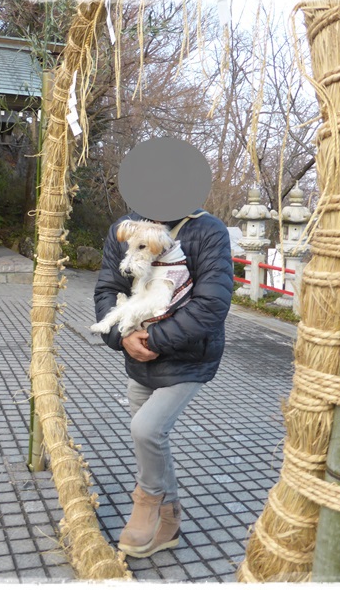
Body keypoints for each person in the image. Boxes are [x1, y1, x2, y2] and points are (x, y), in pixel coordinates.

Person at [94, 208, 233, 558]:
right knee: (151, 441)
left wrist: (153, 339)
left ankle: (147, 502)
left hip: (188, 356)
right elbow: (109, 287)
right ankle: (169, 521)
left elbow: (211, 303)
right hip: (137, 354)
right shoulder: (124, 227)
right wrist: (121, 337)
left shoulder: (208, 229)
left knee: (146, 429)